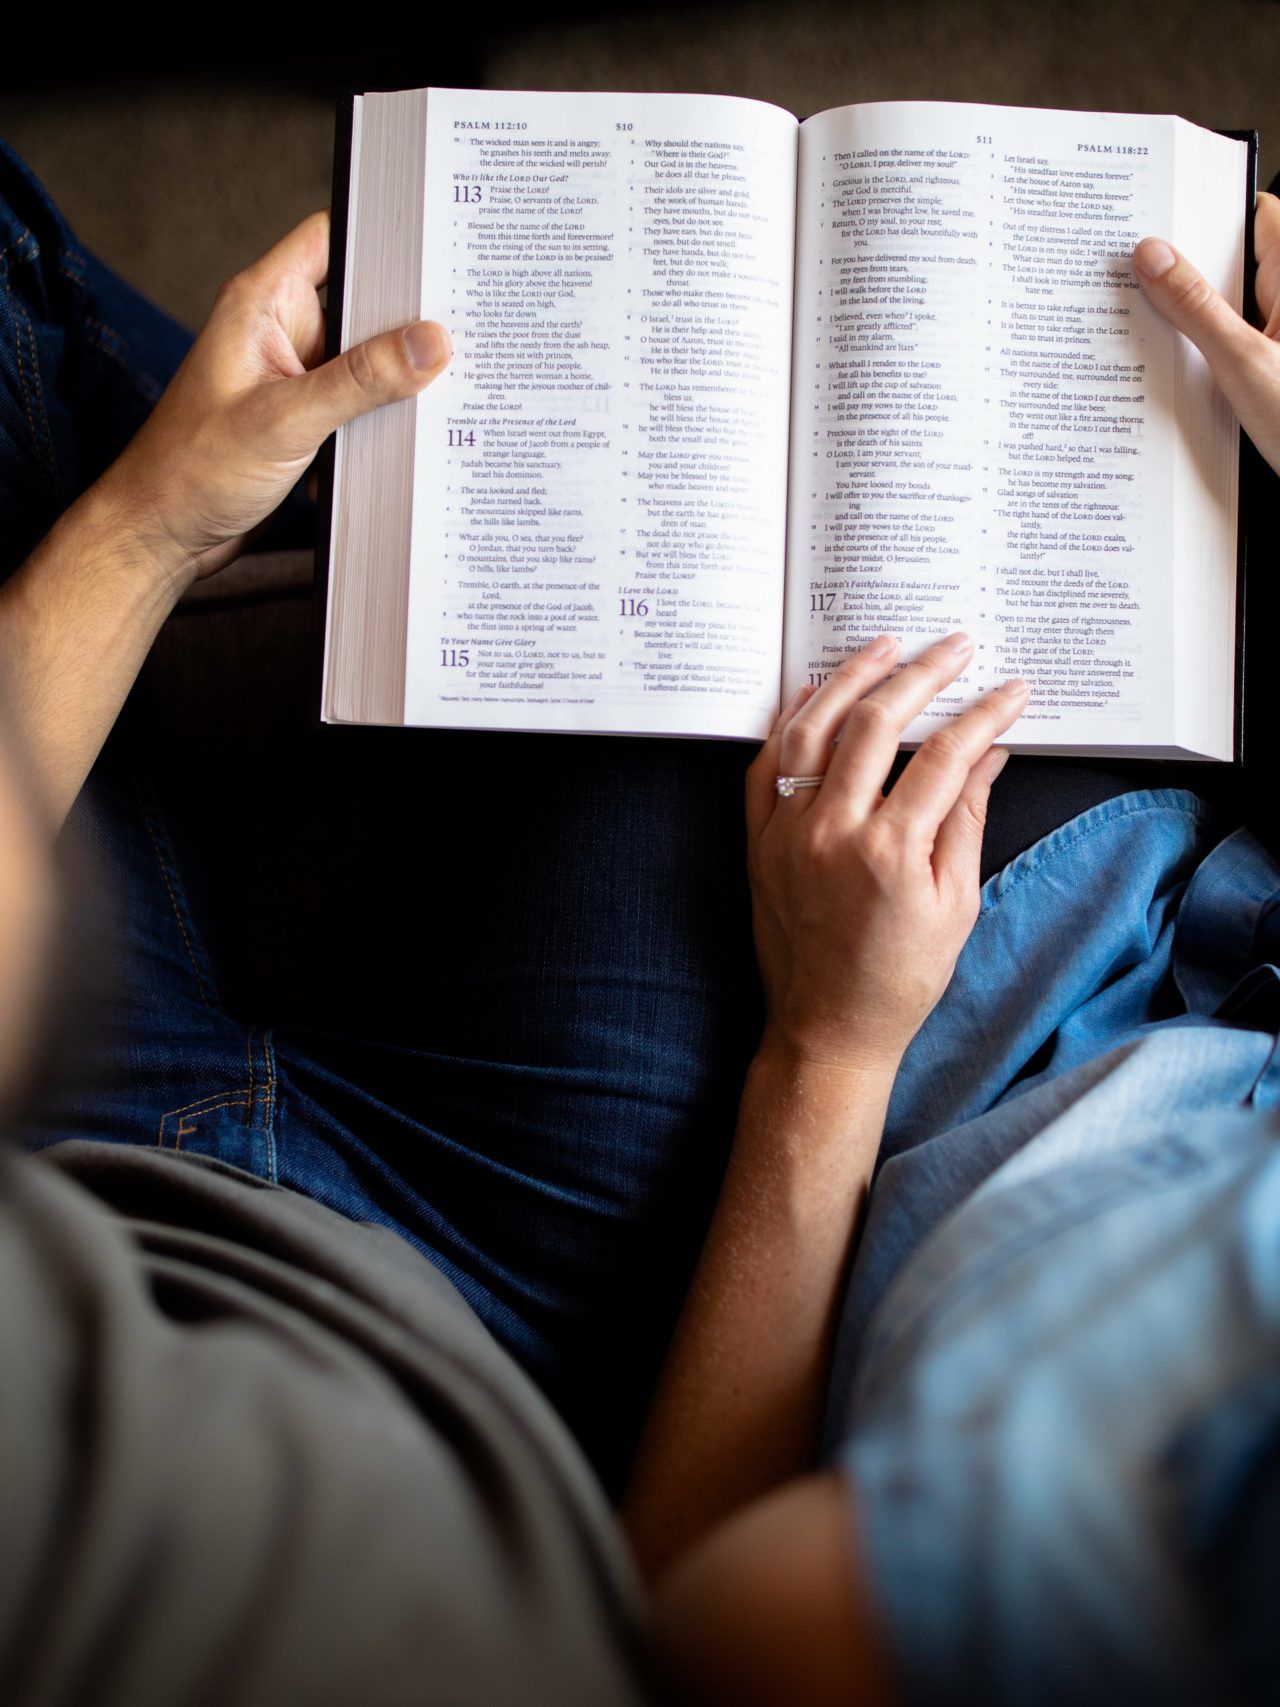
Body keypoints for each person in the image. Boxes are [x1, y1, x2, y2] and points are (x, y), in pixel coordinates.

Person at [0, 120, 1278, 1702]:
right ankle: (283, 503)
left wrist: (151, 529)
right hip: (547, 1226)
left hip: (516, 1312)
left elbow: (700, 1619)